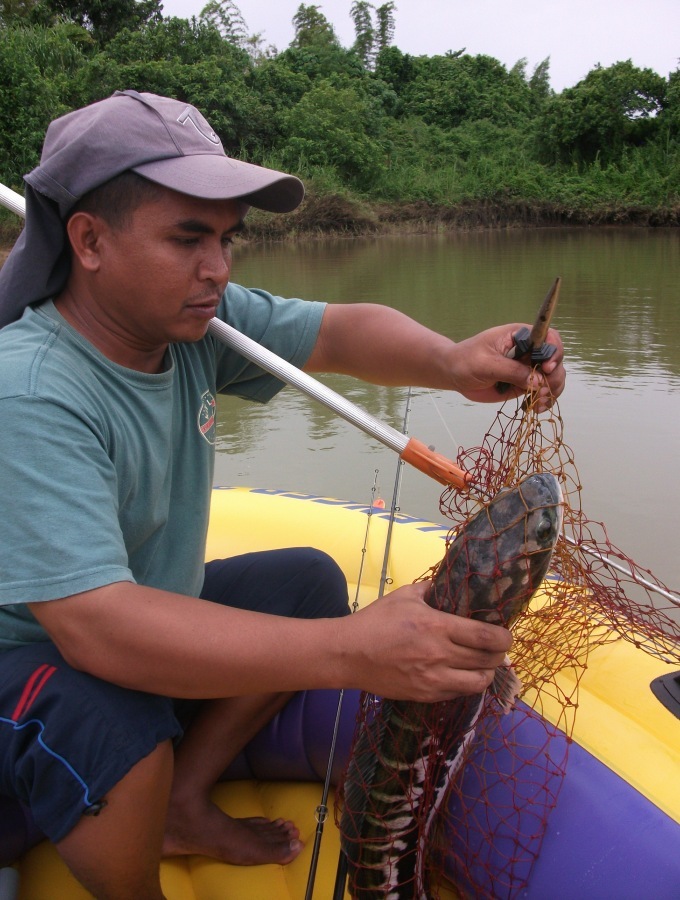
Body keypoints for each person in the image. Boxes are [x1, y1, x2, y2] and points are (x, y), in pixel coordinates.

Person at [0, 91, 565, 900]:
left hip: (119, 630)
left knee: (304, 583)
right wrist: (353, 650)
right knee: (103, 718)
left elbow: (336, 331)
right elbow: (96, 628)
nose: (218, 269)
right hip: (27, 663)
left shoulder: (191, 325)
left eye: (227, 240)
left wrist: (452, 360)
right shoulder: (29, 389)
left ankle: (180, 802)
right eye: (188, 238)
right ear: (88, 240)